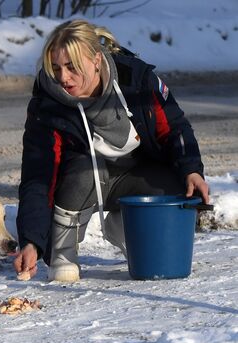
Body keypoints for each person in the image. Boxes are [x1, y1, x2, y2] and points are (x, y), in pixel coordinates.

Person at [13, 19, 209, 282]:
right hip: (82, 184)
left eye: (72, 67)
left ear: (96, 61)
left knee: (175, 187)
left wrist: (192, 170)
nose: (63, 77)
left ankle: (126, 228)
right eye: (56, 68)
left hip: (136, 177)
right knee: (81, 172)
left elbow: (174, 128)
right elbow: (38, 176)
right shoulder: (47, 104)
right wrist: (32, 241)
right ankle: (64, 250)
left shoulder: (135, 80)